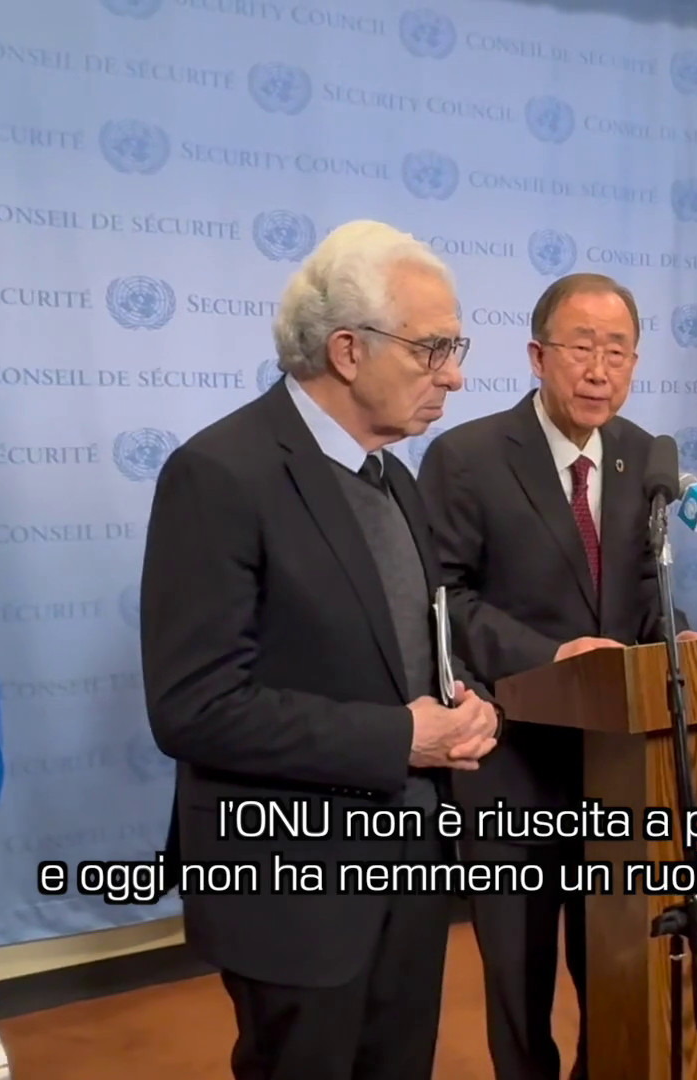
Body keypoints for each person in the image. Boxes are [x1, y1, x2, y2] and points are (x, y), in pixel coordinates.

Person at [139, 220, 501, 1080]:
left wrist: (462, 702)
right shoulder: (219, 474)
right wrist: (402, 737)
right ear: (347, 350)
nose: (455, 375)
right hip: (293, 889)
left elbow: (405, 647)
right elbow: (194, 708)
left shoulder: (395, 477)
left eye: (455, 348)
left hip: (412, 868)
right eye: (433, 349)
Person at [417, 272, 697, 1080]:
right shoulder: (467, 458)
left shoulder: (643, 457)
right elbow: (443, 601)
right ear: (538, 356)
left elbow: (644, 593)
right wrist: (548, 657)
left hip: (615, 767)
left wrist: (681, 642)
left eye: (618, 352)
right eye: (582, 348)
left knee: (612, 961)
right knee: (520, 979)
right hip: (511, 762)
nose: (599, 370)